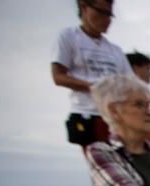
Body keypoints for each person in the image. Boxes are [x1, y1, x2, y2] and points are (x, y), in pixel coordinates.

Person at [52, 0, 131, 151]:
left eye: (110, 15)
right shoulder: (69, 37)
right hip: (87, 114)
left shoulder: (115, 50)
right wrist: (92, 86)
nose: (107, 20)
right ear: (84, 7)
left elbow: (131, 84)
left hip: (116, 118)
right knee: (103, 165)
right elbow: (58, 76)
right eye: (102, 12)